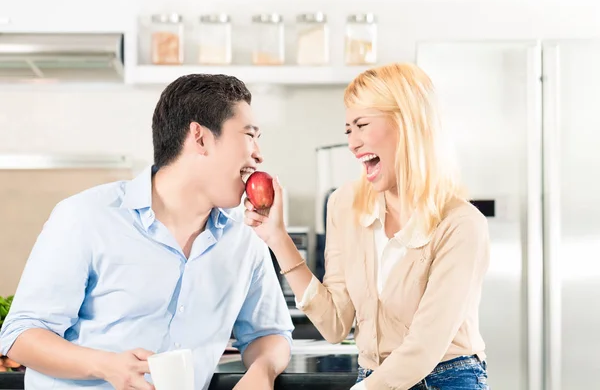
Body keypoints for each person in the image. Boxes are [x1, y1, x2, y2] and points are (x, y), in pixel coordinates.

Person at [0, 74, 294, 390]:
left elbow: (269, 332)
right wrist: (106, 366)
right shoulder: (87, 216)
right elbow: (21, 334)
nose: (258, 153)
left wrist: (262, 371)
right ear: (200, 137)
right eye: (250, 135)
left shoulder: (244, 236)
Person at [244, 62, 490, 390]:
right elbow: (334, 323)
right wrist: (277, 238)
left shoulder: (461, 225)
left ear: (407, 123)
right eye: (348, 130)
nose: (353, 143)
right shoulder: (344, 205)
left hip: (448, 378)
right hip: (372, 378)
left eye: (362, 125)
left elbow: (424, 347)